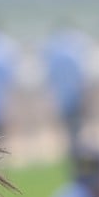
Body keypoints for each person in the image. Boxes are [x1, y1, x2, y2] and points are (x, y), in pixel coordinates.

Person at [40, 22, 92, 154]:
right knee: (76, 127)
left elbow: (49, 78)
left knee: (70, 127)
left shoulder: (54, 55)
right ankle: (77, 150)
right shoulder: (74, 53)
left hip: (62, 96)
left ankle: (74, 150)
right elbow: (82, 76)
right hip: (75, 95)